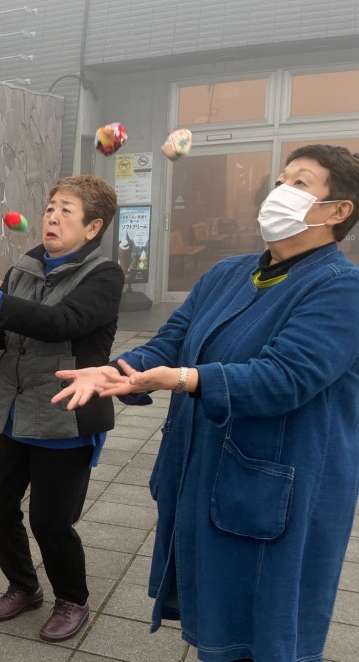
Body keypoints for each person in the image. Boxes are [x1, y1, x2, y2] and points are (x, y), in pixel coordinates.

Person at [53, 145, 359, 662]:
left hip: (281, 488)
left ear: (338, 210)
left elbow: (286, 377)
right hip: (210, 475)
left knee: (269, 631)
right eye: (279, 180)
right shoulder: (228, 272)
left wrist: (185, 379)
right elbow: (172, 339)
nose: (278, 192)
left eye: (300, 183)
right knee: (216, 622)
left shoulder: (341, 289)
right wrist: (121, 370)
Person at [0, 175, 123, 642]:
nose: (52, 218)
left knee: (50, 521)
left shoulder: (104, 275)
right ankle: (23, 586)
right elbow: (4, 335)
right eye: (50, 208)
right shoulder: (24, 267)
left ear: (92, 227)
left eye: (66, 210)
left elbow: (60, 323)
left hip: (66, 415)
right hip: (12, 412)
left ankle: (72, 599)